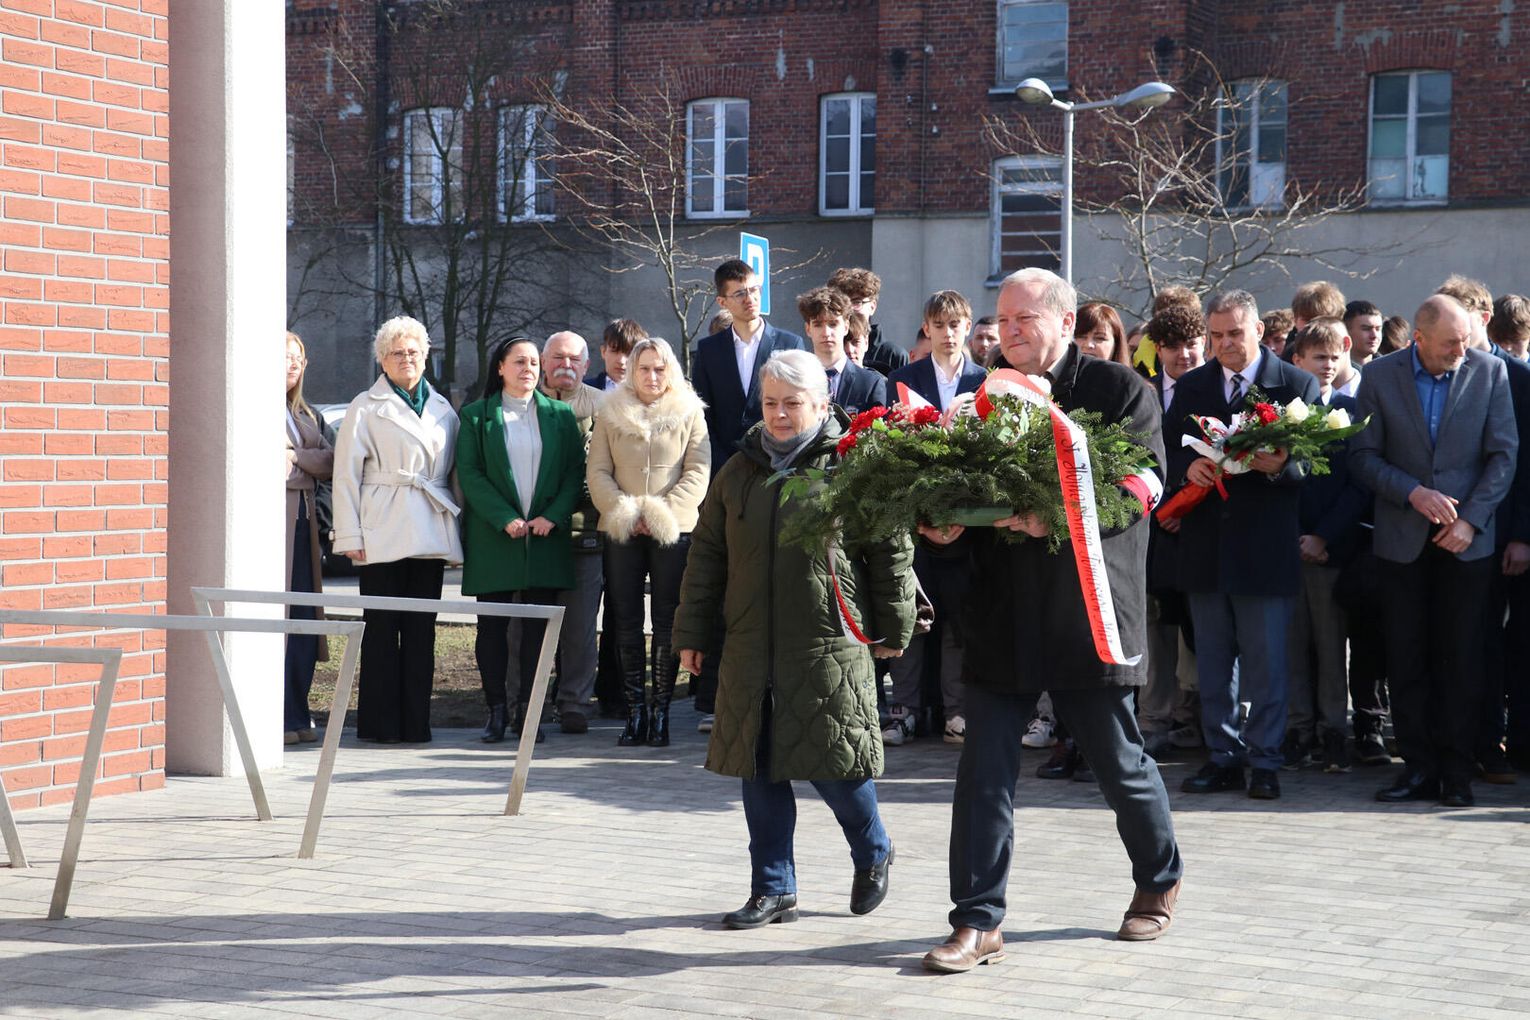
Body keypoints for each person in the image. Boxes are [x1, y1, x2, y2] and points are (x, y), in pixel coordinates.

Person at [922, 268, 1181, 974]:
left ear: (1066, 322)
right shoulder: (981, 398)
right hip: (1002, 611)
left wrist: (1059, 515)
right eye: (1002, 319)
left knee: (1117, 762)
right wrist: (942, 528)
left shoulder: (1119, 390)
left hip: (1086, 608)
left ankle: (1158, 879)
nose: (1008, 332)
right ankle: (977, 921)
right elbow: (960, 494)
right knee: (984, 772)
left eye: (1025, 319)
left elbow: (1142, 488)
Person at [674, 349, 915, 929]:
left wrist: (894, 629)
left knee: (835, 765)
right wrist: (692, 633)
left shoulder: (852, 465)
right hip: (750, 645)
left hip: (828, 641)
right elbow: (706, 558)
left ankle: (873, 849)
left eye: (792, 404)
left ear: (822, 404)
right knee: (758, 767)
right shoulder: (739, 471)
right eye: (770, 403)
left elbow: (890, 550)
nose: (779, 415)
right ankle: (773, 888)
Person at [1350, 295, 1517, 807]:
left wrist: (1471, 520)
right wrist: (1412, 492)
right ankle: (1418, 769)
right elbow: (1363, 456)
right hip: (1402, 543)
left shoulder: (1489, 372)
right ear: (1419, 338)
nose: (1460, 351)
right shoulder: (1379, 377)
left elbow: (1503, 456)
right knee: (1407, 659)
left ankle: (1457, 772)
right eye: (1450, 343)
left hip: (1466, 546)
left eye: (1464, 340)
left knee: (1461, 660)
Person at [1166, 289, 1320, 800]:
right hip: (1207, 546)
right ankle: (1222, 757)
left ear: (1259, 330)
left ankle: (1266, 760)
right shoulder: (1192, 386)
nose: (1225, 344)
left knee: (1266, 663)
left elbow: (1318, 465)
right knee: (1213, 664)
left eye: (1235, 333)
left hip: (1264, 549)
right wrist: (1186, 467)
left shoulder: (1295, 384)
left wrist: (1283, 467)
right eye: (1216, 335)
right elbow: (1165, 448)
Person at [331, 315, 462, 744]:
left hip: (429, 528)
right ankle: (380, 725)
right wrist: (349, 535)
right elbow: (346, 474)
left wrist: (457, 536)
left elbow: (453, 476)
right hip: (381, 528)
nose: (407, 358)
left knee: (422, 632)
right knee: (382, 629)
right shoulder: (365, 406)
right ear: (382, 360)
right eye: (397, 353)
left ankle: (416, 724)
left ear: (426, 356)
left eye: (413, 352)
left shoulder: (443, 408)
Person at [456, 337, 585, 745]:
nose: (527, 368)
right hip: (495, 538)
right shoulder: (476, 417)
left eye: (533, 362)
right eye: (518, 362)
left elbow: (573, 472)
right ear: (500, 367)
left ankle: (528, 715)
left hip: (545, 538)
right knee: (492, 629)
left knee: (537, 632)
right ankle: (496, 710)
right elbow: (469, 473)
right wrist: (503, 517)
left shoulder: (560, 415)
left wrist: (554, 516)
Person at [587, 337, 710, 747]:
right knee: (623, 620)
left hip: (673, 529)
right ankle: (634, 712)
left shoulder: (689, 410)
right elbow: (598, 471)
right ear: (631, 371)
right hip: (621, 528)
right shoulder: (609, 411)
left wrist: (660, 514)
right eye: (644, 368)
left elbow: (698, 471)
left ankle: (660, 713)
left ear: (670, 370)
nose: (652, 376)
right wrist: (626, 512)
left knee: (666, 619)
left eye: (659, 368)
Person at [1284, 319, 1371, 773]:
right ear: (1297, 360)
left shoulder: (1351, 411)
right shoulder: (1281, 413)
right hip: (1288, 548)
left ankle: (1334, 729)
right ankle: (1298, 729)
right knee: (1292, 646)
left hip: (1331, 549)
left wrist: (1324, 536)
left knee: (1332, 645)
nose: (1328, 365)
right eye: (1318, 357)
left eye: (1335, 357)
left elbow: (1359, 485)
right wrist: (1297, 536)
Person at [1137, 304, 1206, 759]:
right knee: (1155, 627)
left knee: (1195, 628)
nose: (1183, 355)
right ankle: (1155, 718)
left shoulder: (1214, 389)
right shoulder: (1141, 391)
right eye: (1172, 346)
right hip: (1149, 527)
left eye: (1191, 345)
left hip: (1198, 526)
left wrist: (1186, 505)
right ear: (1157, 350)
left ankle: (1192, 716)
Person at [538, 330, 608, 734]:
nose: (566, 365)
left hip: (585, 533)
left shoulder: (603, 406)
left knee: (580, 629)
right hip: (533, 536)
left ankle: (575, 703)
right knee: (527, 629)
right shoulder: (525, 403)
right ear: (543, 361)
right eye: (558, 357)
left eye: (574, 359)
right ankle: (528, 702)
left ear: (586, 365)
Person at [691, 258, 808, 476]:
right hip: (724, 467)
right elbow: (702, 413)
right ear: (722, 302)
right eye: (739, 294)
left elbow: (801, 406)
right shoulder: (708, 350)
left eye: (754, 290)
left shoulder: (790, 344)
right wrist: (722, 466)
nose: (750, 299)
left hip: (778, 464)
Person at [284, 331, 333, 746]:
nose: (293, 364)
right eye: (284, 356)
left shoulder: (307, 415)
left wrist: (297, 457)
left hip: (305, 529)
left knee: (304, 623)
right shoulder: (253, 407)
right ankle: (281, 717)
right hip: (276, 530)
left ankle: (298, 713)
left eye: (298, 358)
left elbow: (331, 460)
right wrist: (308, 466)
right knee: (280, 622)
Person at [888, 291, 985, 413]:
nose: (948, 333)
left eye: (954, 325)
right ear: (927, 329)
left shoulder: (984, 380)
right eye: (939, 326)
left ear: (967, 327)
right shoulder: (903, 379)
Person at [798, 286, 886, 416]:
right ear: (808, 329)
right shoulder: (796, 380)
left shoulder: (870, 383)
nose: (826, 333)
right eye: (818, 324)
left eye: (833, 324)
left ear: (846, 326)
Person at [827, 266, 909, 378]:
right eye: (844, 302)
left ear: (872, 306)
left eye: (857, 302)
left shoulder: (893, 354)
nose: (849, 308)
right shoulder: (827, 347)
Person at [591, 318, 645, 392]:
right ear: (603, 351)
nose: (621, 361)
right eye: (614, 351)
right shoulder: (583, 391)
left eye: (629, 353)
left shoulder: (650, 395)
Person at [1074, 302, 1132, 366]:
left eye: (1100, 338)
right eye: (1081, 336)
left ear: (1116, 343)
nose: (1088, 345)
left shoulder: (1125, 373)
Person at [1345, 300, 1385, 369]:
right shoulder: (1331, 371)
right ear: (1346, 331)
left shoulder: (1392, 369)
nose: (1374, 335)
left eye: (1378, 329)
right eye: (1366, 329)